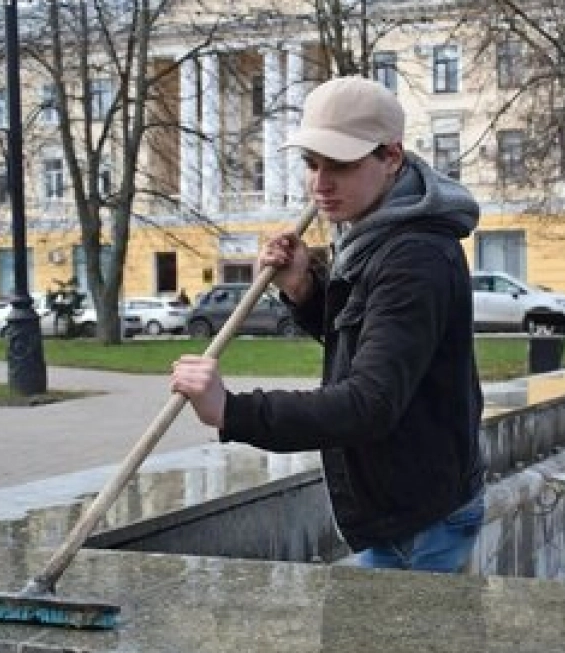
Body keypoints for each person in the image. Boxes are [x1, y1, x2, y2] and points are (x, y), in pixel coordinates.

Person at [170, 76, 486, 573]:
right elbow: (368, 342)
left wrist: (232, 411)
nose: (320, 183)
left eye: (340, 164)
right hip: (407, 508)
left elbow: (369, 403)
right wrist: (303, 290)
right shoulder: (376, 233)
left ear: (392, 158)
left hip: (421, 523)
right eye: (311, 164)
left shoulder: (414, 255)